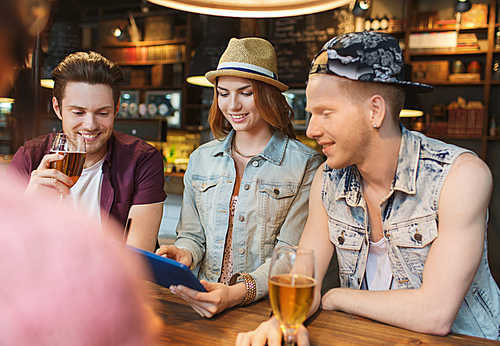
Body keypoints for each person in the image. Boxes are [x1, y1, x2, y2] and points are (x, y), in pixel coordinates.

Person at [237, 31, 500, 345]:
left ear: (375, 111)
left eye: (325, 113)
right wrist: (279, 323)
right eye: (310, 114)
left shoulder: (460, 176)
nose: (311, 129)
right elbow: (305, 279)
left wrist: (336, 297)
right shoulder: (328, 179)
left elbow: (436, 313)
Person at [156, 37, 324, 318]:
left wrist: (238, 292)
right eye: (223, 93)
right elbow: (192, 236)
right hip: (203, 300)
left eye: (245, 93)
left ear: (268, 94)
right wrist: (184, 253)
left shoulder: (306, 165)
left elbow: (290, 254)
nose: (232, 104)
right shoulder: (200, 159)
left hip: (266, 309)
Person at [6, 51, 167, 252]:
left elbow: (138, 255)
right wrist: (27, 206)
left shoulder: (142, 160)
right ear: (58, 108)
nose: (90, 125)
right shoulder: (30, 157)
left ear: (116, 109)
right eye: (78, 112)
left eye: (102, 113)